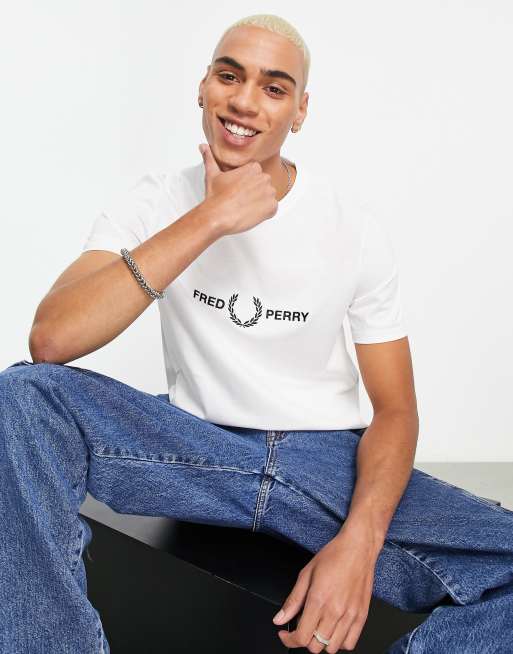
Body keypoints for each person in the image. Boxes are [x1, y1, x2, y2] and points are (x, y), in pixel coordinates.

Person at [1, 13, 512, 654]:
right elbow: (51, 340)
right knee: (24, 398)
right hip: (193, 445)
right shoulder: (153, 202)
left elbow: (396, 410)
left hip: (323, 463)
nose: (244, 102)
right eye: (229, 76)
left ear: (300, 112)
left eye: (274, 88)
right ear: (202, 87)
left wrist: (360, 542)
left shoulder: (352, 229)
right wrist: (211, 216)